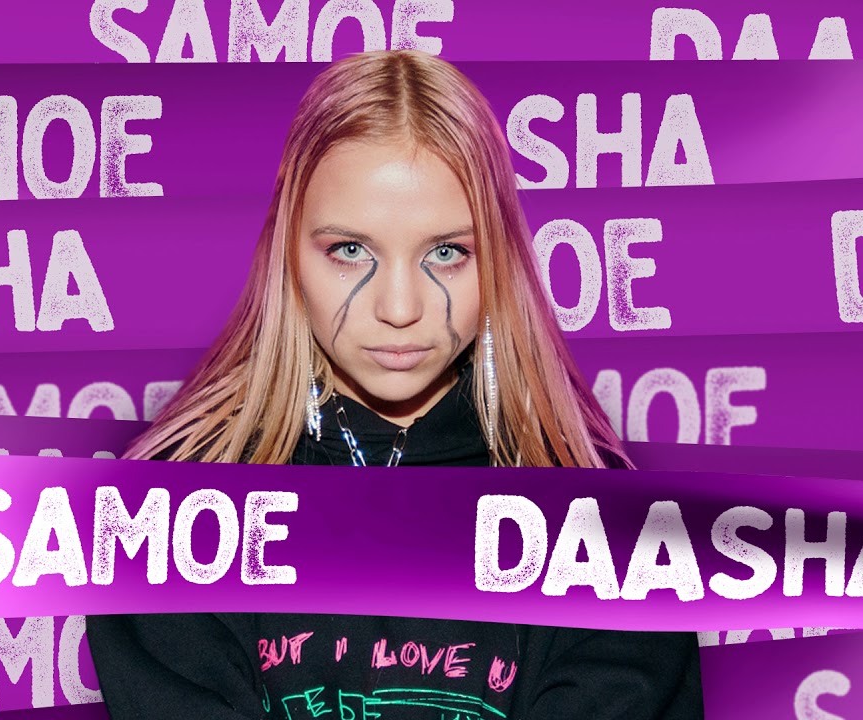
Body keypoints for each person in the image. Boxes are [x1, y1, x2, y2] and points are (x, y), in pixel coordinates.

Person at [87, 50, 703, 719]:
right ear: (287, 251)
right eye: (350, 251)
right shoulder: (168, 515)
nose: (401, 307)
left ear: (498, 260)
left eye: (447, 252)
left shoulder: (614, 530)